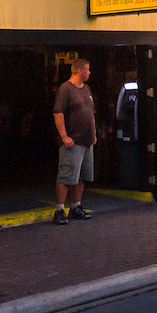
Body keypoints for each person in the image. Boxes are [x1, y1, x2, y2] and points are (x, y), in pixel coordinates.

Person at [53, 59, 97, 225]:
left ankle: (75, 207)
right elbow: (58, 113)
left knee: (82, 176)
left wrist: (93, 133)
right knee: (66, 176)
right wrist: (64, 136)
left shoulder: (86, 89)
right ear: (80, 70)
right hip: (73, 140)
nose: (89, 73)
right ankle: (59, 209)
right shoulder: (66, 89)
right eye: (87, 70)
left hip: (87, 141)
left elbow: (91, 112)